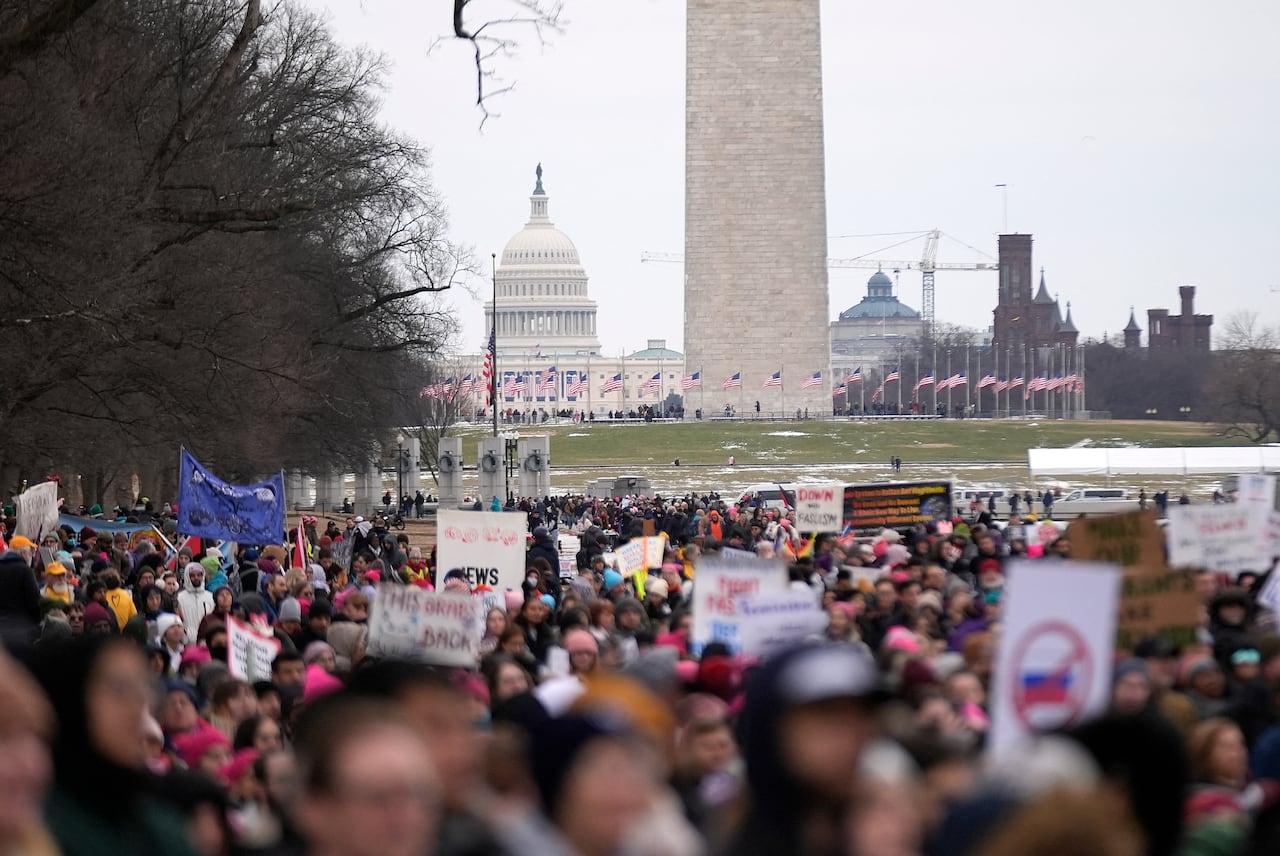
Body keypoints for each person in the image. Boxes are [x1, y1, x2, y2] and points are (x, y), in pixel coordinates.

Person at [31, 636, 199, 855]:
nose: (138, 704)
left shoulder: (160, 822)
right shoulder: (30, 825)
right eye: (120, 689)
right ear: (71, 699)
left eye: (143, 688)